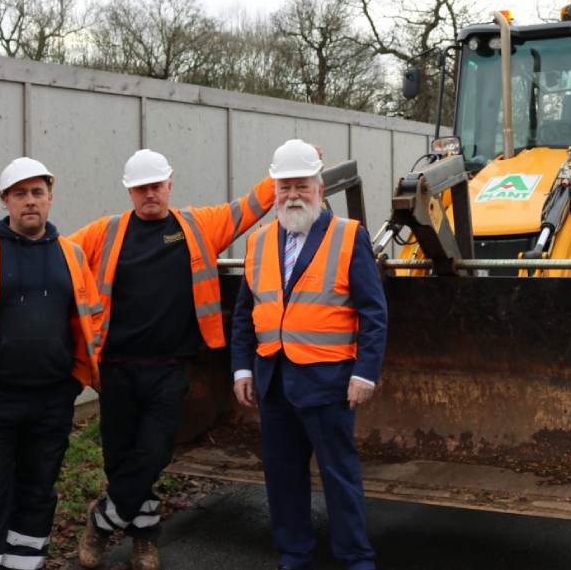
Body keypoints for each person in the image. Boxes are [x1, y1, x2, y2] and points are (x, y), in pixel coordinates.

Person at [71, 148, 275, 570]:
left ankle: (101, 521)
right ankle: (145, 538)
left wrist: (290, 170)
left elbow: (250, 206)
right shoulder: (104, 233)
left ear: (170, 184)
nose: (150, 194)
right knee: (121, 458)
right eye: (141, 188)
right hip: (115, 368)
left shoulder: (197, 226)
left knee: (155, 452)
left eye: (156, 185)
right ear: (129, 190)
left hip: (170, 368)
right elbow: (59, 259)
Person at [0, 157, 102, 570]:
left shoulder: (72, 255)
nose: (30, 201)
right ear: (5, 200)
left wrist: (77, 376)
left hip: (51, 402)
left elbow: (92, 318)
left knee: (37, 494)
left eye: (37, 193)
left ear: (50, 198)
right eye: (20, 194)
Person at [231, 139, 388, 570]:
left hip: (328, 384)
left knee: (339, 477)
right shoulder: (258, 242)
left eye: (301, 185)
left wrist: (365, 373)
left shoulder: (347, 235)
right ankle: (294, 555)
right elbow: (246, 314)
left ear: (320, 187)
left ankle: (355, 558)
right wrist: (242, 368)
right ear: (274, 191)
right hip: (274, 382)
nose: (292, 195)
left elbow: (374, 311)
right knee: (282, 479)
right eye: (284, 187)